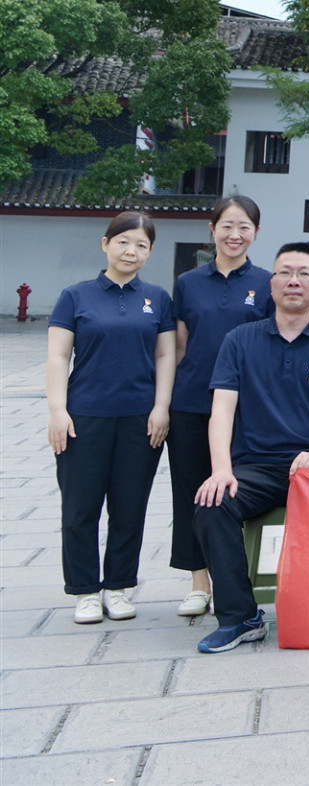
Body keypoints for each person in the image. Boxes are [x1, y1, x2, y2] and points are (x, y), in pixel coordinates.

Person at [192, 243, 309, 653]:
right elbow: (222, 411)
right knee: (212, 503)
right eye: (285, 272)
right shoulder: (239, 340)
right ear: (271, 284)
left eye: (304, 274)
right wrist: (221, 470)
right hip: (258, 468)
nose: (294, 281)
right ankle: (240, 617)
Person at [47, 212, 177, 625]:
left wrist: (161, 406)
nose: (130, 251)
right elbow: (58, 356)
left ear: (149, 251)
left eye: (140, 245)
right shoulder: (75, 296)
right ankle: (85, 590)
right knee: (80, 508)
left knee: (129, 508)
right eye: (123, 241)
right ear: (105, 244)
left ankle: (118, 587)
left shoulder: (157, 298)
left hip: (139, 419)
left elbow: (166, 355)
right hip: (84, 417)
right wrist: (57, 410)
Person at [167, 196, 272, 617]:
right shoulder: (188, 283)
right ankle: (199, 583)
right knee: (191, 493)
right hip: (192, 403)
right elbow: (179, 346)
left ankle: (239, 579)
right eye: (227, 225)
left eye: (244, 226)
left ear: (256, 233)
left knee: (234, 492)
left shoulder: (267, 282)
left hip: (246, 408)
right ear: (212, 230)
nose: (235, 234)